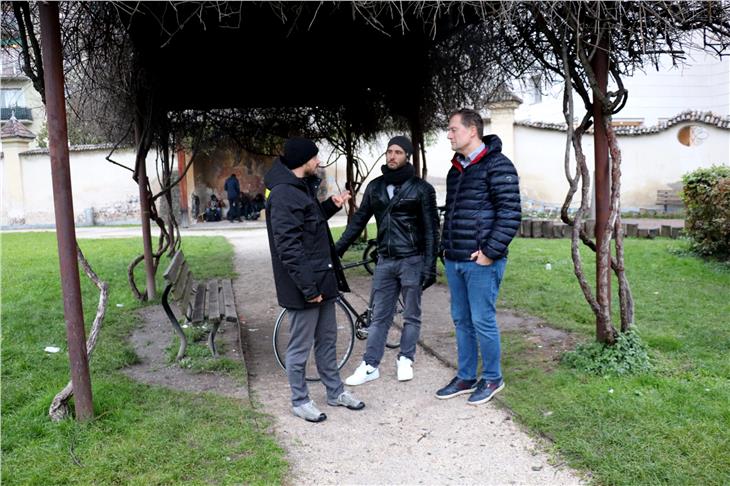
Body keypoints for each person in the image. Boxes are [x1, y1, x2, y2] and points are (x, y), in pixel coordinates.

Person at [264, 136, 365, 423]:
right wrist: (309, 290)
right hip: (304, 287)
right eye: (314, 158)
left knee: (327, 340)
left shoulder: (300, 188)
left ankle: (335, 392)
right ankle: (300, 400)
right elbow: (289, 248)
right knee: (299, 347)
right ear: (302, 161)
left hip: (323, 278)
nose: (318, 162)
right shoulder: (284, 193)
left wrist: (331, 205)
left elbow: (309, 221)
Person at [335, 136, 439, 385]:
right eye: (389, 152)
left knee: (411, 314)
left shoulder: (422, 189)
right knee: (379, 315)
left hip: (412, 259)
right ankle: (370, 365)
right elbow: (358, 222)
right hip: (385, 260)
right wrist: (335, 251)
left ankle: (406, 359)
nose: (392, 156)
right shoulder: (376, 187)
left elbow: (431, 230)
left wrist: (430, 265)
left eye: (398, 152)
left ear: (407, 157)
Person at [436, 108, 521, 405]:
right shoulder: (455, 169)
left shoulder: (498, 165)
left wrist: (489, 252)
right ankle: (466, 376)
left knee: (482, 319)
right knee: (461, 319)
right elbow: (453, 214)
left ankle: (493, 377)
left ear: (472, 130)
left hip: (481, 261)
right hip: (455, 258)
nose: (449, 134)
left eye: (453, 129)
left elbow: (510, 214)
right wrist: (444, 249)